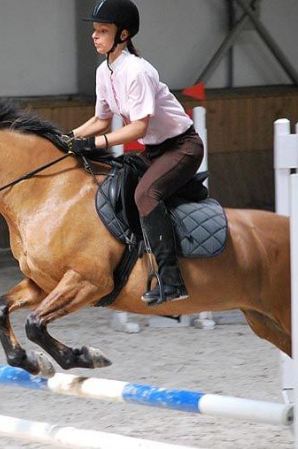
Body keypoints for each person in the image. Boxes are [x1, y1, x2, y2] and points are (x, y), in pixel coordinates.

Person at [68, 0, 204, 306]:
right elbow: (100, 120)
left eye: (102, 31)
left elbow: (138, 129)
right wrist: (66, 138)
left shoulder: (137, 71)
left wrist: (96, 144)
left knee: (146, 195)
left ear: (123, 35)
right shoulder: (105, 71)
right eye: (94, 30)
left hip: (183, 147)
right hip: (157, 150)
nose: (95, 36)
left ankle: (171, 281)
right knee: (116, 182)